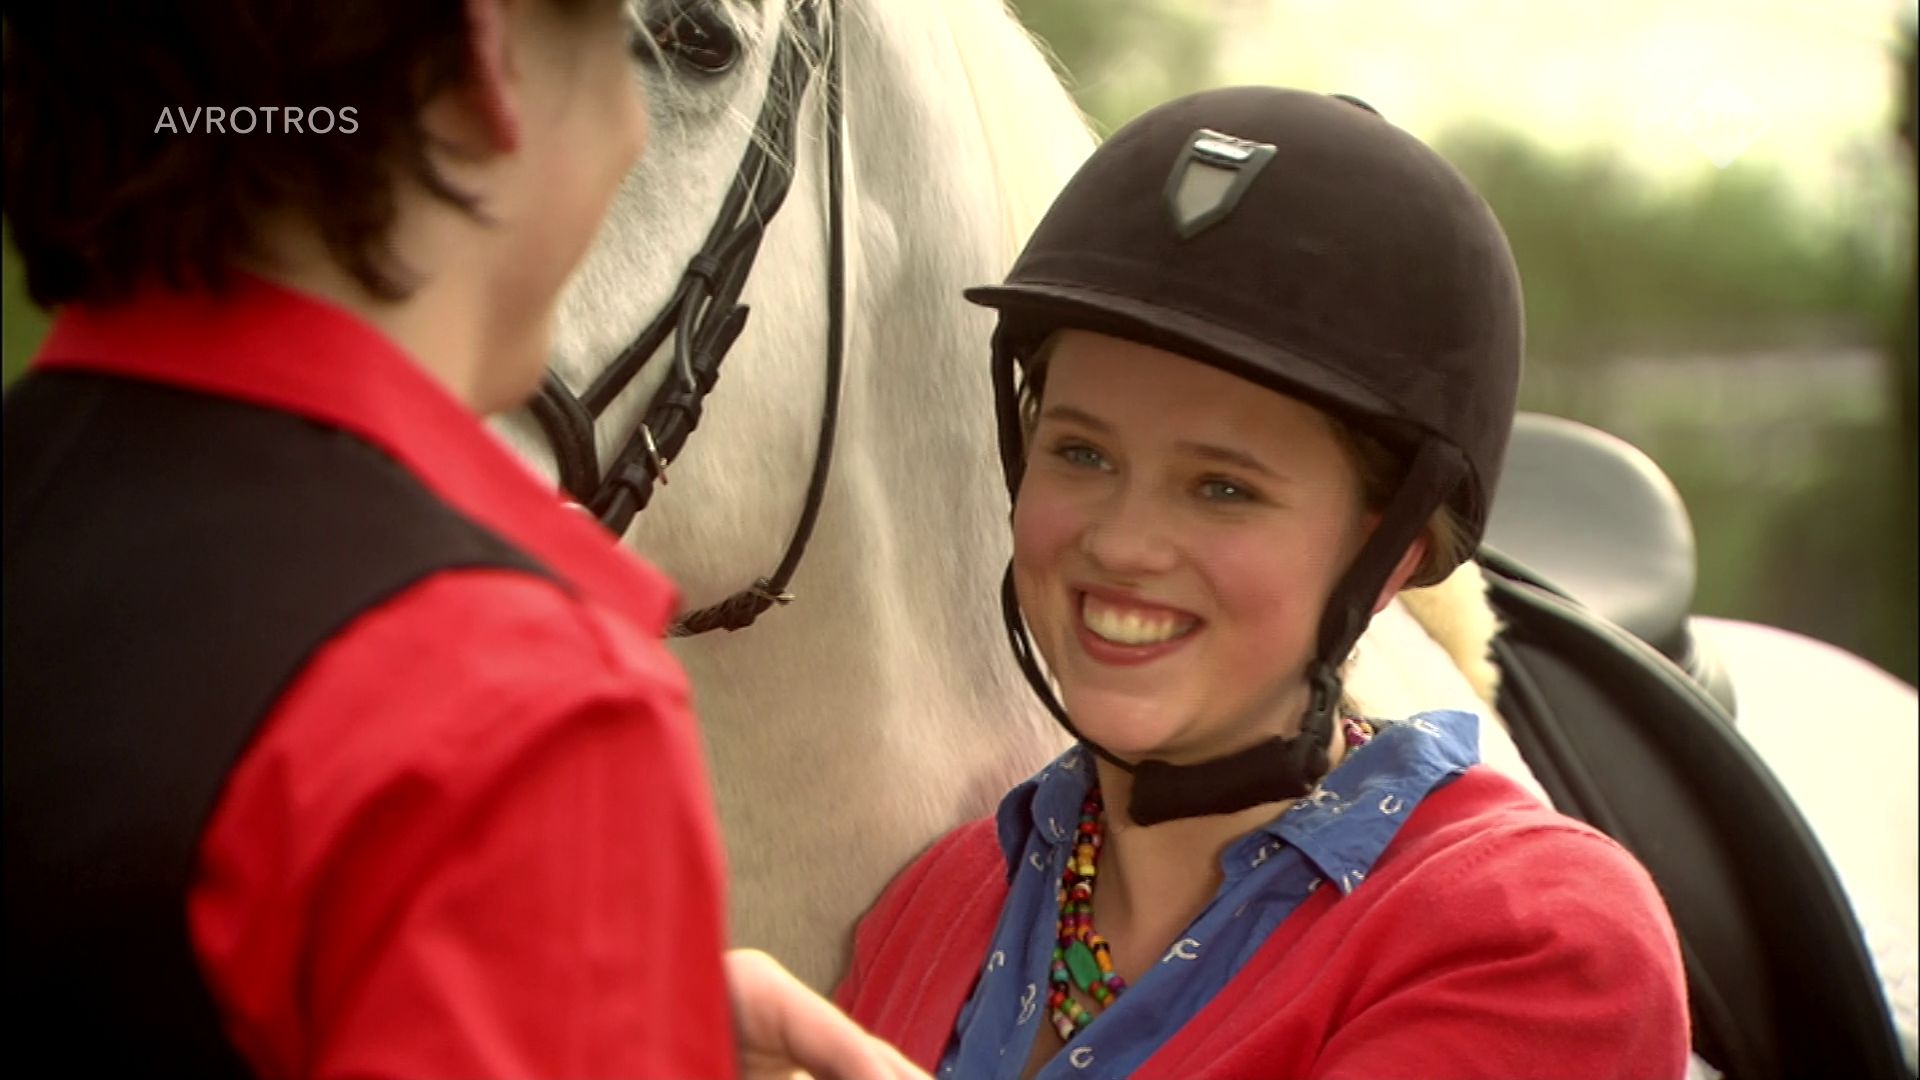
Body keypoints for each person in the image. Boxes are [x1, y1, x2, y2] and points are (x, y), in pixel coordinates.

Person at [1, 2, 924, 1078]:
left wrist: (559, 991)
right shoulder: (512, 710)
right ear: (492, 60)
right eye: (631, 50)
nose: (631, 126)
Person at [834, 87, 1691, 1078]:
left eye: (1223, 488)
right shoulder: (937, 900)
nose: (1122, 542)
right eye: (1082, 453)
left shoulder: (1536, 940)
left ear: (1391, 558)